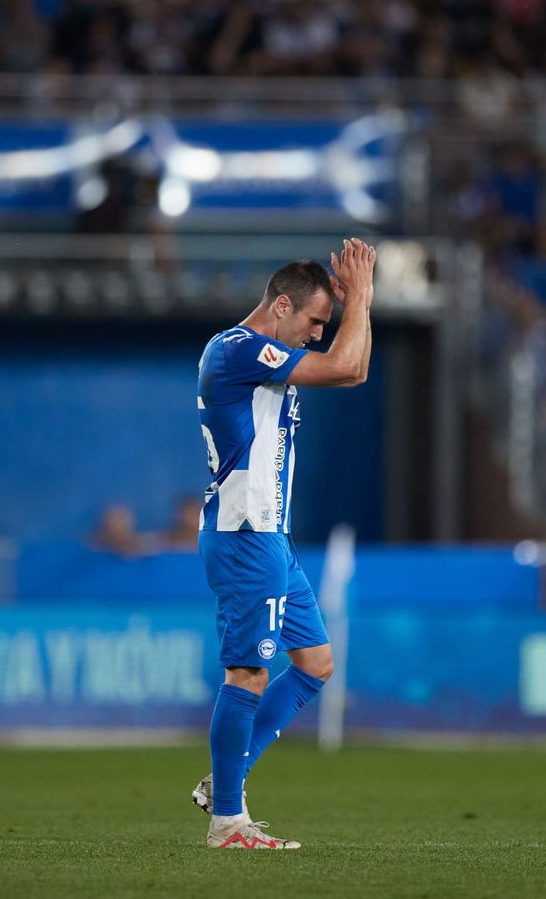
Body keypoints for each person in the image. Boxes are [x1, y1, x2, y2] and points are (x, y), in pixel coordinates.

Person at [190, 241, 376, 851]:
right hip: (245, 535)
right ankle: (227, 822)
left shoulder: (267, 356)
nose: (320, 335)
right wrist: (363, 300)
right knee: (246, 671)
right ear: (281, 305)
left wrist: (358, 308)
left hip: (272, 537)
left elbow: (357, 369)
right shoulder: (237, 349)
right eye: (314, 322)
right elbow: (346, 368)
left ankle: (225, 779)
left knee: (315, 665)